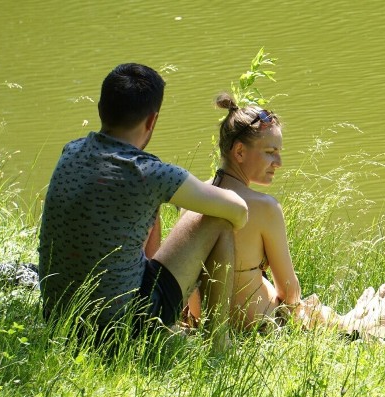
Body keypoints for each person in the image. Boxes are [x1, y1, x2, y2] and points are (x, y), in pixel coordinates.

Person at [38, 64, 248, 350]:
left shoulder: (71, 150)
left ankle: (166, 320)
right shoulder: (150, 172)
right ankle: (219, 345)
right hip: (119, 332)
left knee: (149, 206)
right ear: (152, 121)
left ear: (101, 107)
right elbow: (238, 209)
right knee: (218, 221)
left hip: (59, 321)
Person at [185, 93, 385, 332]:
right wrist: (296, 310)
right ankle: (363, 322)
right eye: (270, 151)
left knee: (314, 312)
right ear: (240, 152)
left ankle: (351, 319)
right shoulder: (264, 207)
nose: (279, 162)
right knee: (311, 312)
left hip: (202, 325)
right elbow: (289, 290)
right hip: (261, 327)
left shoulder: (193, 198)